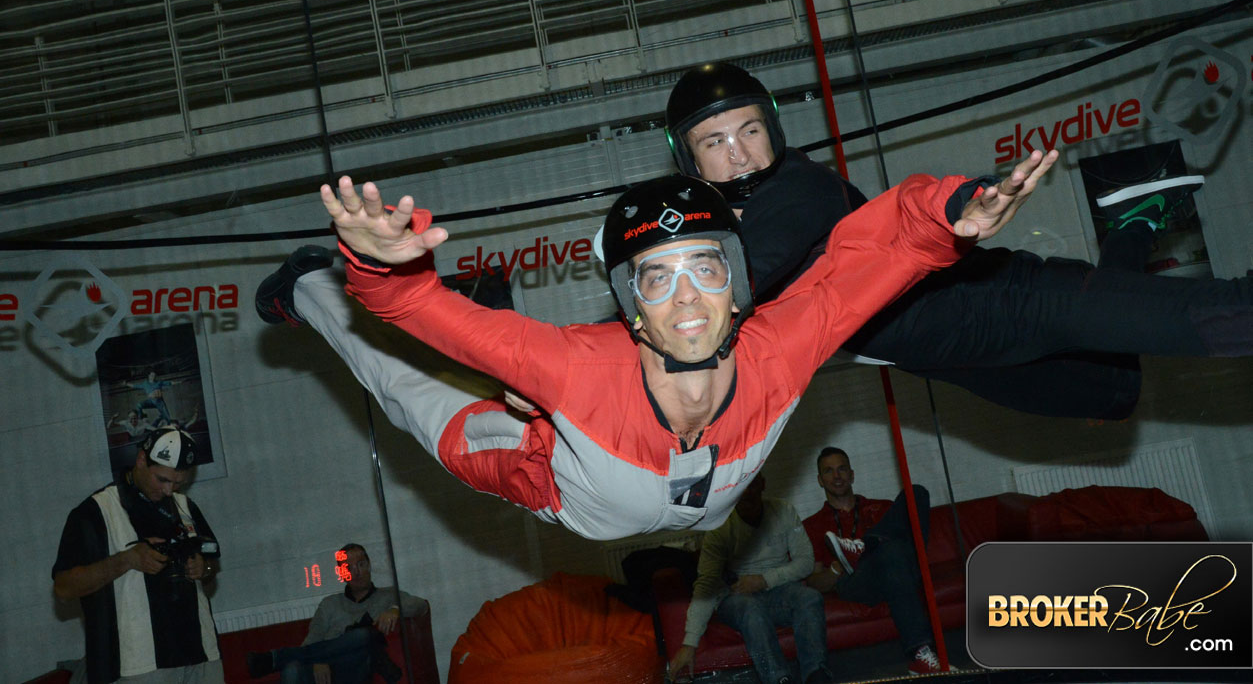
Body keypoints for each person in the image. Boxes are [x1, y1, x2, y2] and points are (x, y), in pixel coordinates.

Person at [256, 152, 1052, 541]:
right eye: (656, 279)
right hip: (578, 492)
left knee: (517, 377)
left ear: (737, 285)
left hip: (714, 495)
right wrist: (375, 264)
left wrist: (956, 210)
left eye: (705, 269)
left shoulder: (779, 345)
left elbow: (873, 257)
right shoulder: (577, 363)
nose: (687, 298)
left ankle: (507, 356)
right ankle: (307, 287)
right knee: (410, 396)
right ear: (630, 310)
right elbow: (408, 307)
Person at [664, 61, 1252, 419]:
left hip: (1006, 303)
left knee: (1220, 320)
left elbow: (744, 279)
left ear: (774, 130)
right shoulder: (722, 233)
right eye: (715, 142)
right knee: (1115, 392)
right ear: (690, 161)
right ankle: (1135, 220)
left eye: (749, 129)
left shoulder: (801, 188)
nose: (739, 150)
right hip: (946, 356)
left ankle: (1137, 220)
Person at [52, 427, 222, 684]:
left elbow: (211, 567)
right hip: (135, 666)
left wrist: (204, 568)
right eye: (162, 479)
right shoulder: (96, 512)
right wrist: (126, 560)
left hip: (201, 655)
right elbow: (63, 588)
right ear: (141, 460)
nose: (169, 491)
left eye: (178, 483)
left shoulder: (185, 507)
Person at [670, 475, 833, 684]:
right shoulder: (719, 528)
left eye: (752, 486)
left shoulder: (783, 511)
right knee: (751, 609)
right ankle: (778, 679)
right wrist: (689, 643)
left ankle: (816, 675)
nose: (747, 493)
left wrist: (763, 580)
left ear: (762, 485)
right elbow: (706, 584)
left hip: (777, 590)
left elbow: (805, 562)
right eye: (741, 490)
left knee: (809, 597)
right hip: (735, 597)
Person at [802, 447, 939, 676]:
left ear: (852, 474)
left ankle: (864, 546)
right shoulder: (813, 525)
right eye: (829, 471)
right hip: (857, 582)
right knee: (890, 550)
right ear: (820, 480)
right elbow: (815, 582)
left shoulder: (883, 508)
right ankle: (919, 652)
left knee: (917, 493)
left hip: (901, 570)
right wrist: (837, 567)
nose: (837, 476)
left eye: (842, 469)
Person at [245, 543, 428, 683]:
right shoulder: (329, 604)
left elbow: (421, 605)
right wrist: (318, 660)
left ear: (369, 566)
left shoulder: (388, 595)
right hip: (328, 670)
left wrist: (395, 609)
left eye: (361, 564)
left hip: (358, 666)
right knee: (291, 670)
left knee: (363, 636)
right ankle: (280, 659)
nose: (357, 572)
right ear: (342, 574)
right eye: (349, 568)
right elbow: (312, 639)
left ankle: (274, 658)